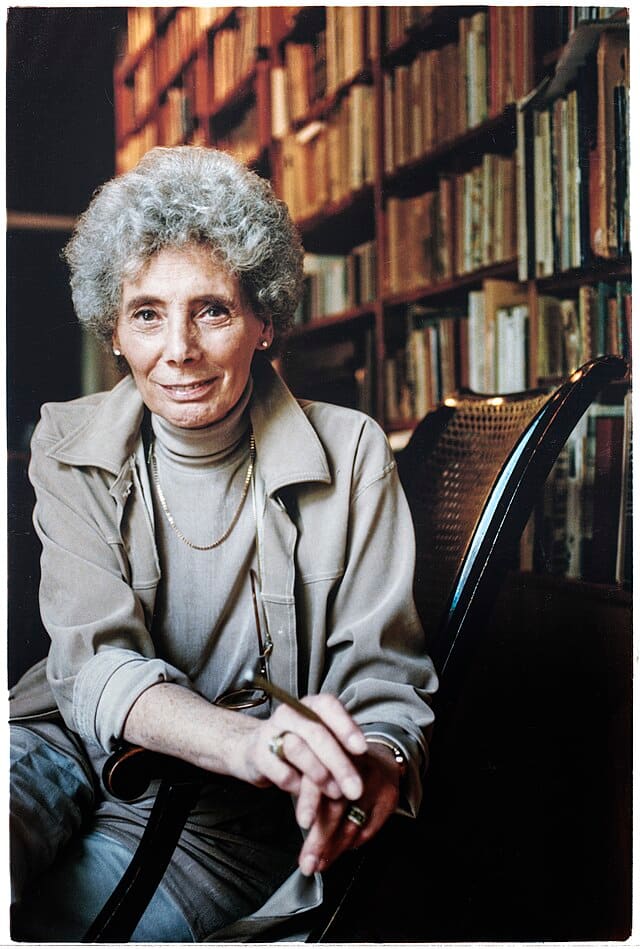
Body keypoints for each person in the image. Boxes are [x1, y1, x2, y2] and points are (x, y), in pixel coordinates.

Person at [9, 146, 437, 941]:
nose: (179, 349)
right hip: (55, 743)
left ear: (264, 321)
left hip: (224, 824)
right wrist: (249, 739)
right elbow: (94, 663)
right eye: (147, 313)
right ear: (113, 330)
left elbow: (384, 683)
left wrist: (371, 762)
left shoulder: (352, 453)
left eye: (212, 309)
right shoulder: (65, 444)